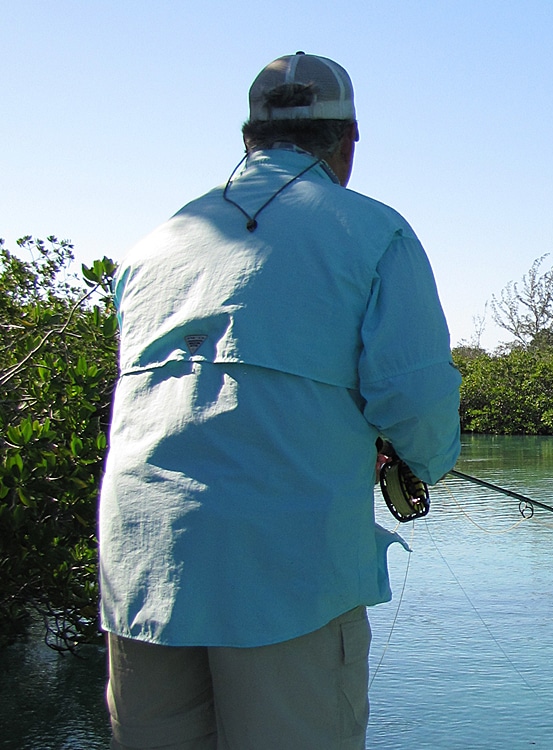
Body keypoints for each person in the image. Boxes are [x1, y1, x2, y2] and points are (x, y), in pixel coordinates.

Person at [98, 52, 461, 749]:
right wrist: (425, 461)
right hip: (286, 574)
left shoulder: (154, 246)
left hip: (141, 568)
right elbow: (415, 403)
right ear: (348, 139)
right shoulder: (375, 232)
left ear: (248, 137)